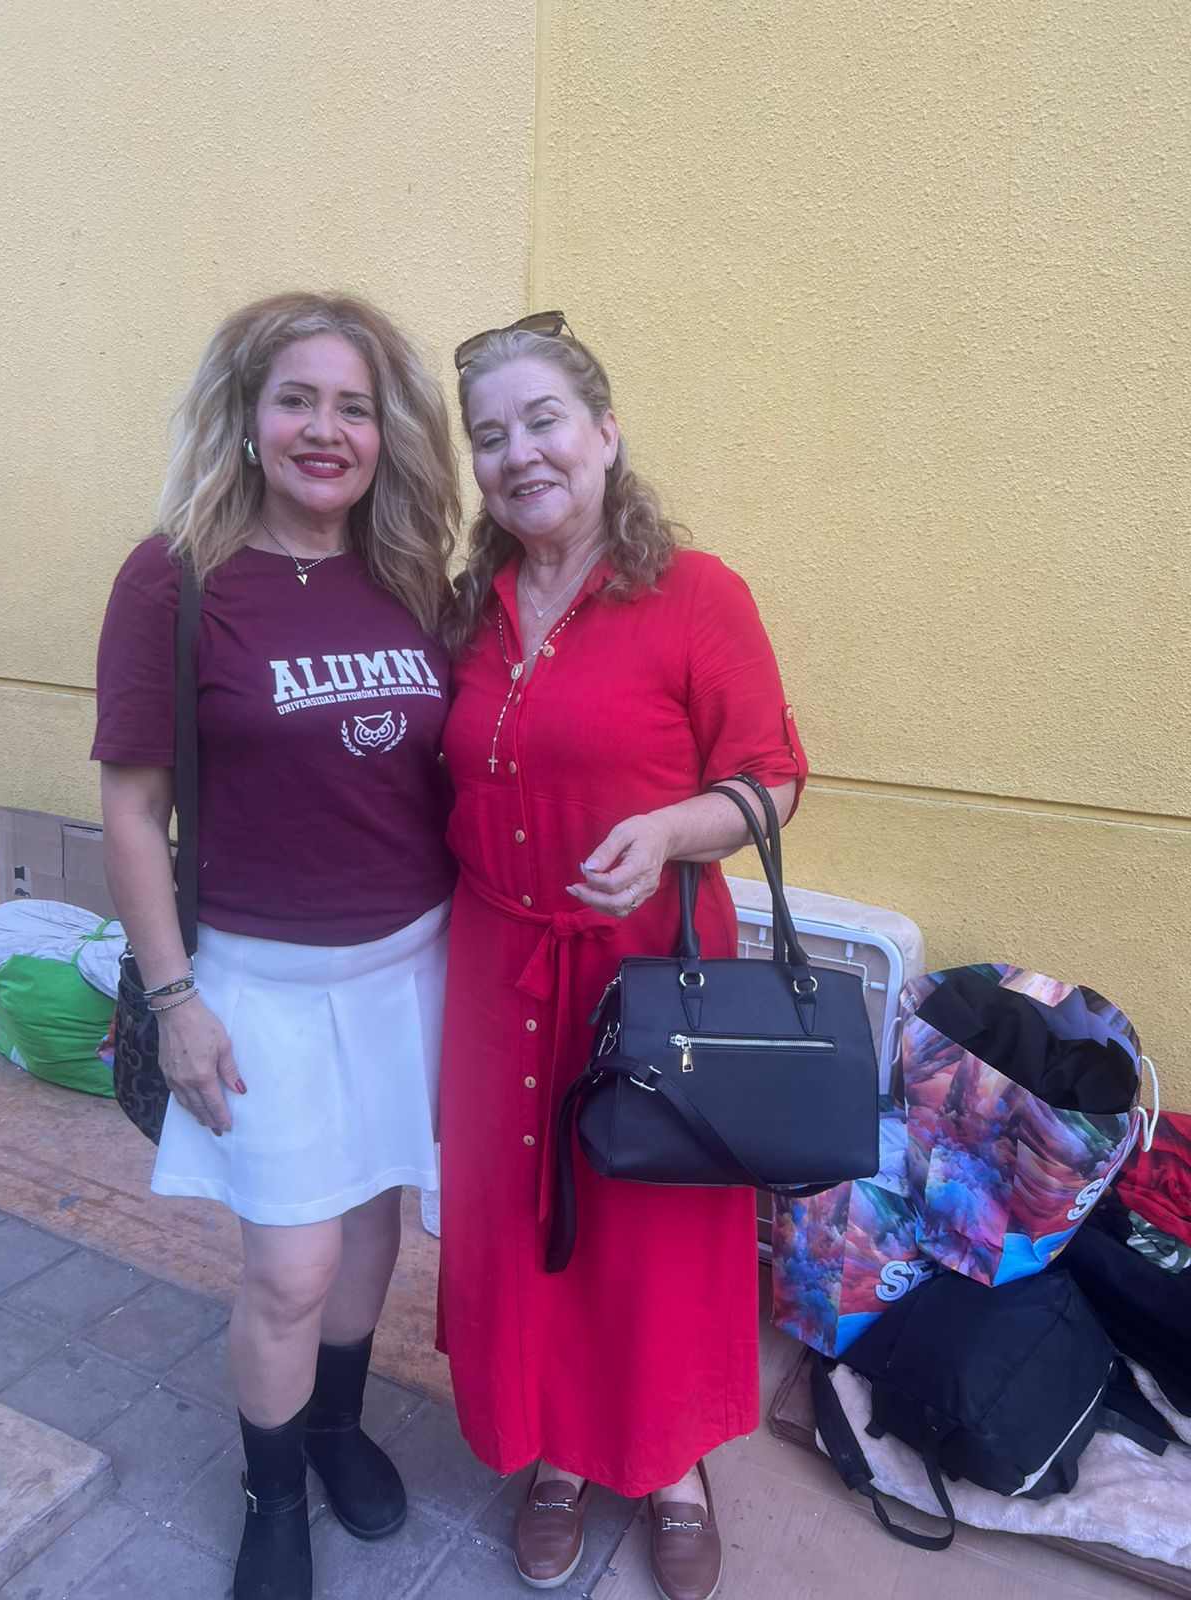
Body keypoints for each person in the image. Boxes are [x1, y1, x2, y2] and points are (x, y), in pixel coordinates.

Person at [93, 292, 460, 1600]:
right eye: (297, 399)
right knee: (291, 1264)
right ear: (247, 416)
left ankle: (336, 1429)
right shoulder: (177, 575)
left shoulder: (413, 576)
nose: (326, 429)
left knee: (372, 1230)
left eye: (354, 406)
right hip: (261, 986)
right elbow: (132, 807)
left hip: (410, 974)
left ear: (385, 432)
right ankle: (273, 1492)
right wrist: (174, 998)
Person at [439, 312, 808, 1600]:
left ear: (604, 433)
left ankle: (670, 1466)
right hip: (498, 968)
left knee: (651, 1224)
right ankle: (555, 1449)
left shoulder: (696, 594)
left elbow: (772, 779)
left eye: (543, 421)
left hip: (652, 969)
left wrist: (667, 833)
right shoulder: (470, 609)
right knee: (524, 1217)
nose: (520, 454)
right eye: (491, 436)